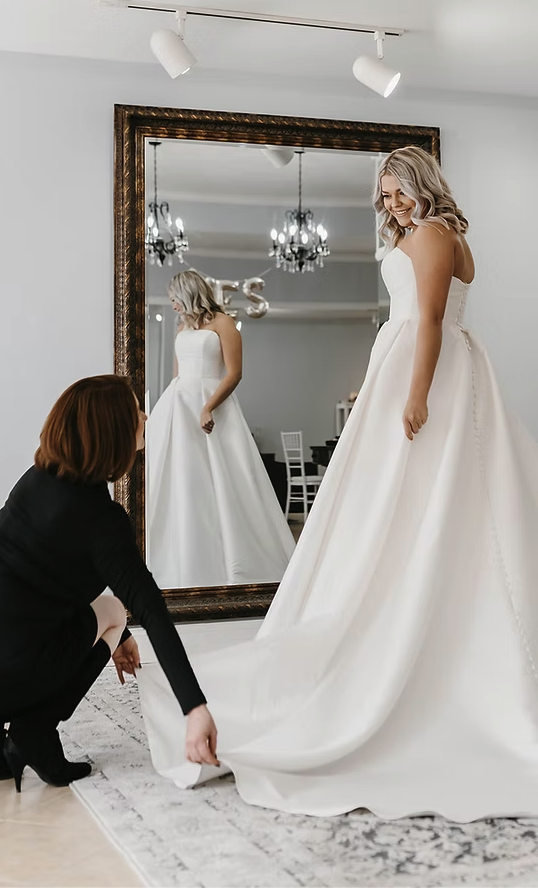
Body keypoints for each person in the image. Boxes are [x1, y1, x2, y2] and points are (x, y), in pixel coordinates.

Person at [139, 146, 538, 821]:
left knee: (426, 505)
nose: (390, 205)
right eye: (382, 197)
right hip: (410, 366)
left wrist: (414, 397)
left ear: (422, 184)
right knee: (391, 510)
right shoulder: (425, 235)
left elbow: (431, 323)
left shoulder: (437, 234)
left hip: (428, 374)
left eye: (396, 192)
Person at [0, 375, 218, 791]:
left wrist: (116, 641)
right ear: (113, 432)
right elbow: (151, 610)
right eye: (136, 412)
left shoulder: (36, 479)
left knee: (12, 613)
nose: (145, 417)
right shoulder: (103, 522)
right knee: (116, 611)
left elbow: (36, 584)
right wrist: (195, 709)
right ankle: (33, 733)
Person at [146, 269, 295, 588]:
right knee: (183, 481)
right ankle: (181, 558)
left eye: (175, 296)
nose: (172, 303)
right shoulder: (181, 327)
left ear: (189, 293)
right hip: (179, 406)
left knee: (226, 482)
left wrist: (208, 406)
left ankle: (234, 562)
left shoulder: (224, 323)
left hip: (212, 404)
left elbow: (235, 373)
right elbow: (176, 376)